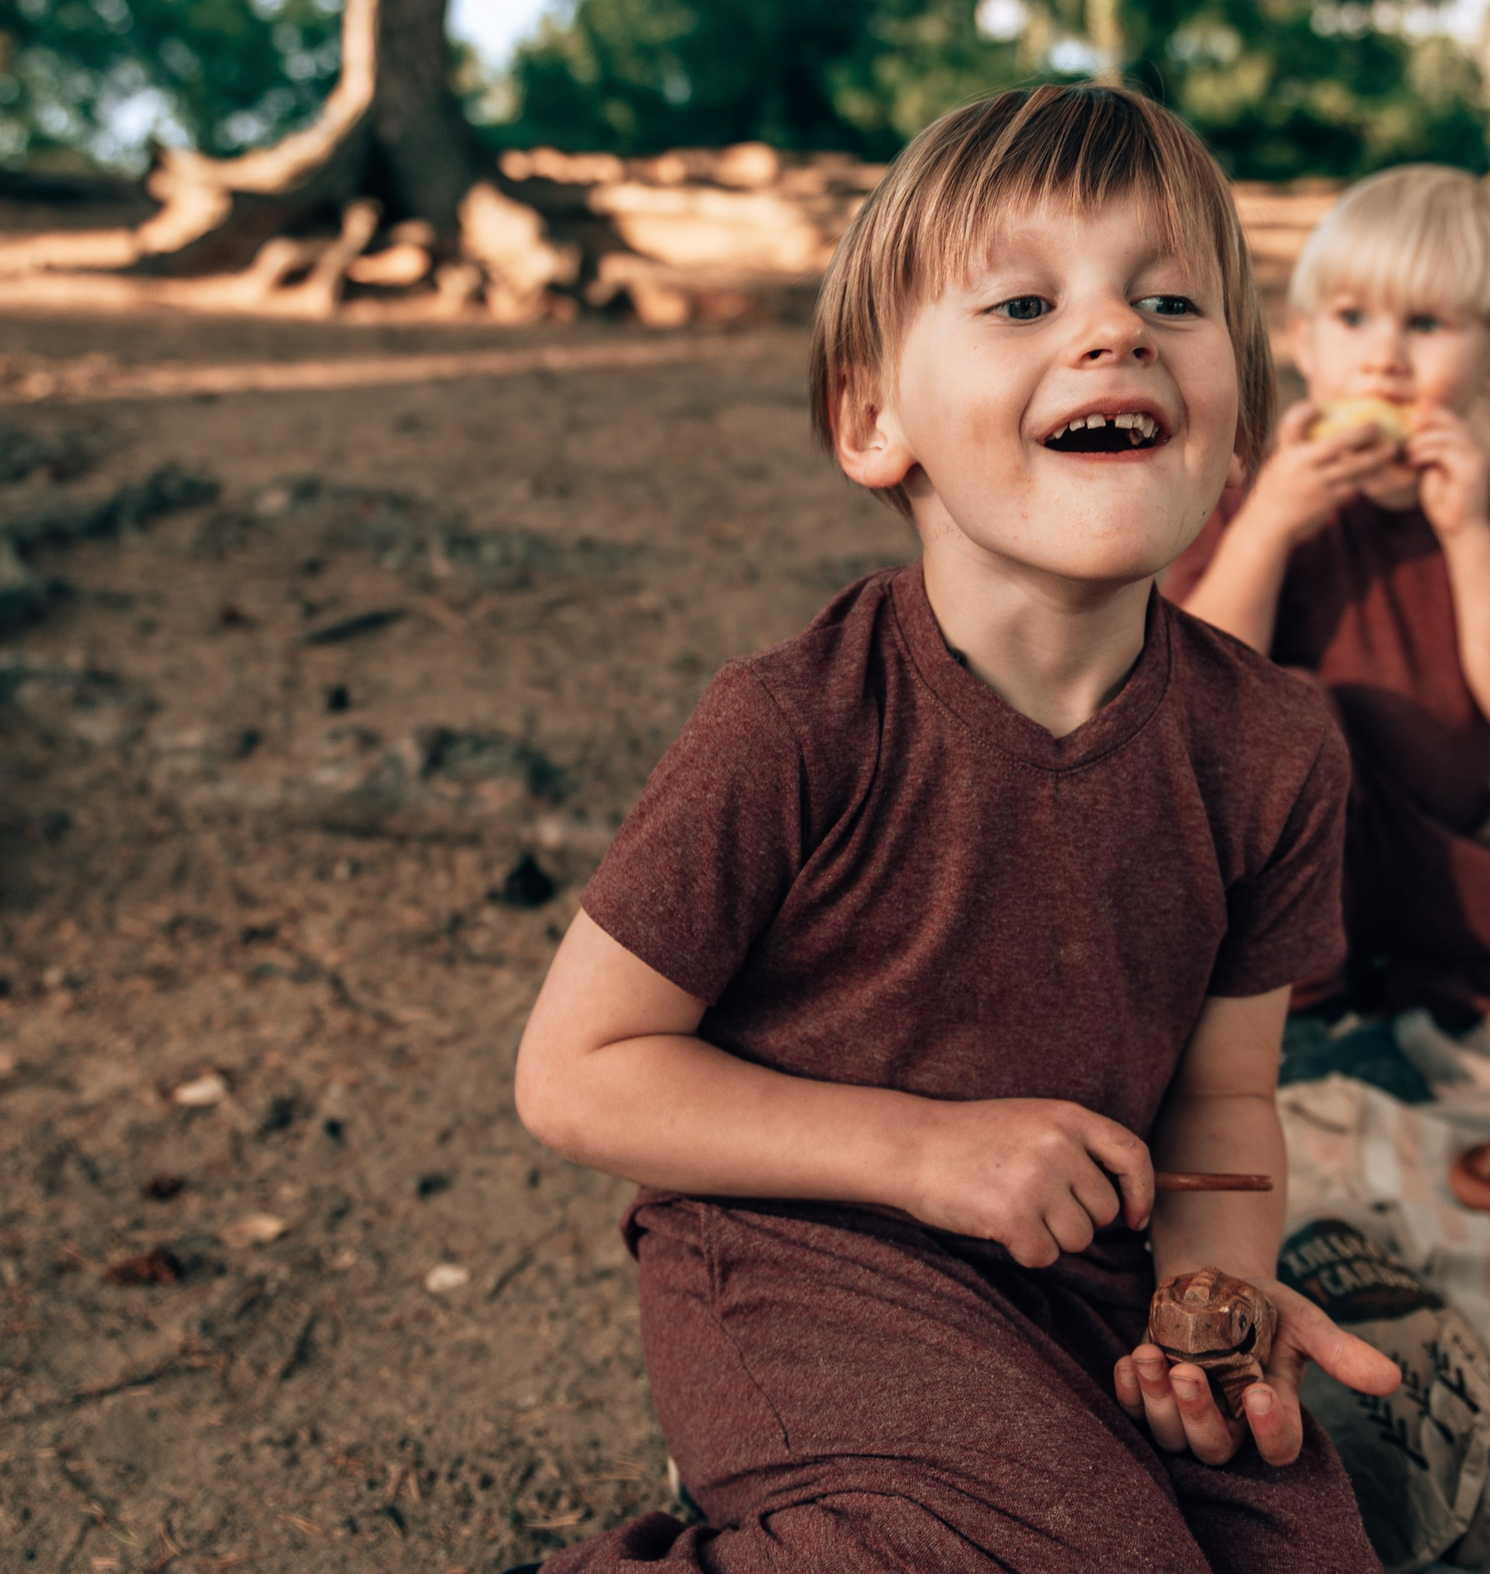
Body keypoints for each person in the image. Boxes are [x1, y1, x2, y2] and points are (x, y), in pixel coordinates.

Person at [513, 84, 1400, 1574]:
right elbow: (574, 1075)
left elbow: (1225, 1111)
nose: (1116, 331)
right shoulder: (797, 724)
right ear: (875, 421)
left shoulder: (1274, 748)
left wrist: (1213, 1306)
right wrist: (924, 1156)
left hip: (1086, 1266)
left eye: (1172, 299)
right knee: (1078, 1558)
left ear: (1239, 416)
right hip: (800, 1253)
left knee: (1296, 1540)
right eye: (1024, 301)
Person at [1166, 166, 1490, 1040]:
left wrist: (1471, 535)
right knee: (1303, 711)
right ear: (1303, 340)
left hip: (1428, 858)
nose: (1384, 357)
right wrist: (1270, 526)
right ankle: (1310, 1017)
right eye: (1352, 319)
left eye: (1426, 325)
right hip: (1280, 866)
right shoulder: (1250, 488)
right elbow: (1195, 683)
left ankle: (1384, 975)